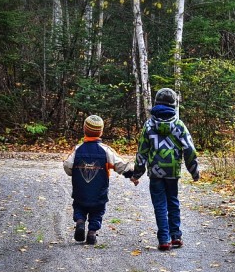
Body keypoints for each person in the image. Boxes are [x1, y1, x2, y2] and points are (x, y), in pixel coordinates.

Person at [130, 88, 200, 251]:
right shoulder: (178, 125)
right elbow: (189, 149)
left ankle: (164, 239)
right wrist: (194, 171)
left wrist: (137, 173)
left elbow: (142, 152)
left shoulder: (149, 125)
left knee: (160, 204)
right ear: (174, 105)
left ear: (156, 104)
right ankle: (176, 236)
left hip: (155, 173)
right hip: (172, 172)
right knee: (173, 202)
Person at [63, 115, 134, 245]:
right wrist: (133, 175)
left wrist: (73, 171)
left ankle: (80, 222)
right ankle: (92, 232)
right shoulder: (106, 150)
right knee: (98, 212)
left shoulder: (77, 150)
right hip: (99, 193)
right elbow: (121, 165)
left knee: (79, 207)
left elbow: (67, 166)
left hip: (80, 191)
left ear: (84, 129)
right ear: (101, 132)